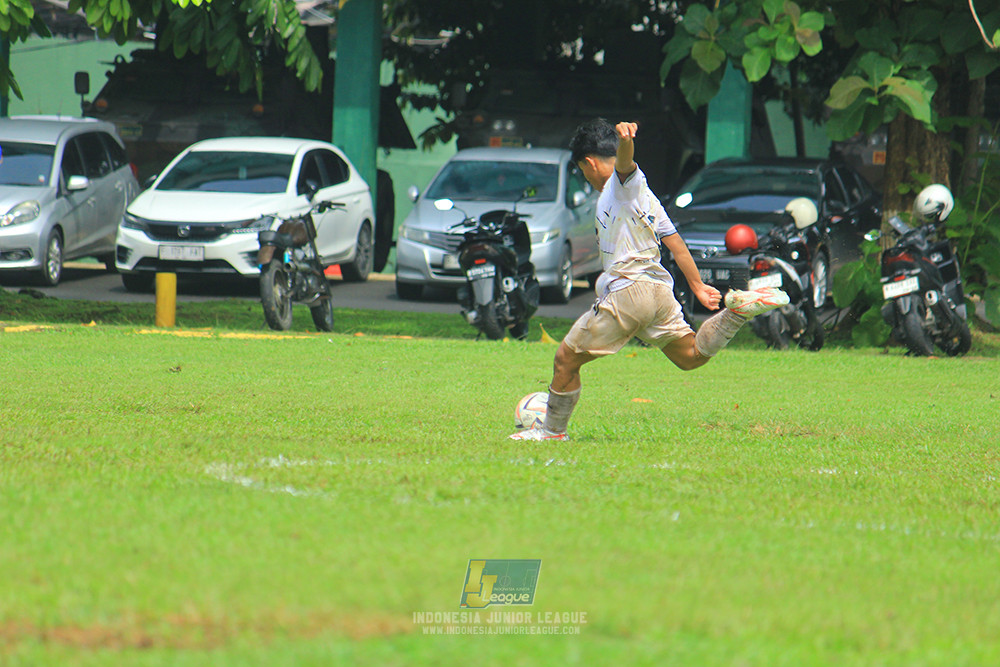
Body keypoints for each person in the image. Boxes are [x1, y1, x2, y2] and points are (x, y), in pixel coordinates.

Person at [510, 119, 789, 441]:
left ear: (588, 162)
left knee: (565, 360)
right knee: (690, 357)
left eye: (583, 171)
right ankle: (736, 313)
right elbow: (675, 243)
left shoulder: (621, 185)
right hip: (658, 291)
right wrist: (697, 286)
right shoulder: (646, 196)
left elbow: (625, 164)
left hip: (629, 292)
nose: (585, 178)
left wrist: (626, 141)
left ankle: (552, 433)